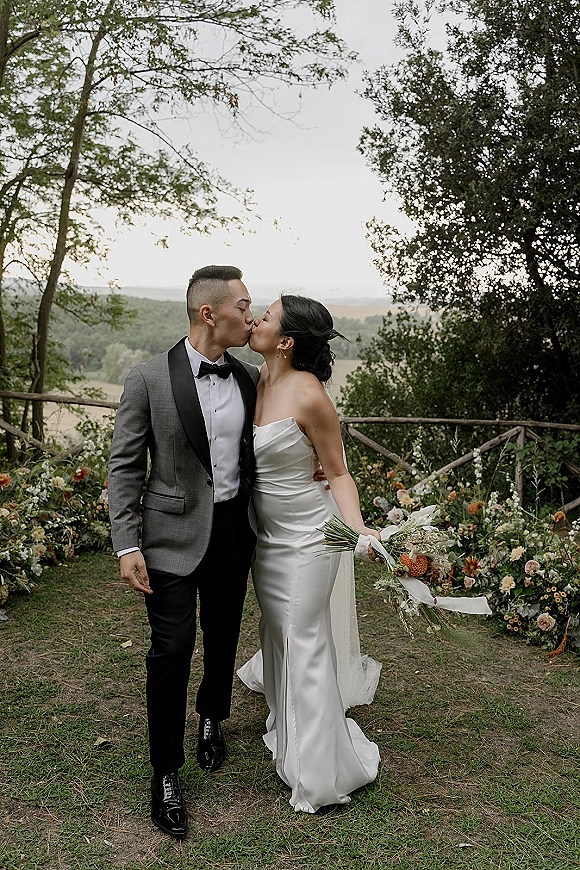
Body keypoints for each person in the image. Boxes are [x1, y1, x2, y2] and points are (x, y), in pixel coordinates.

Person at [108, 265, 259, 839]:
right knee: (171, 651)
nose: (251, 314)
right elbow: (124, 466)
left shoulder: (248, 380)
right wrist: (127, 542)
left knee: (222, 638)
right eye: (244, 306)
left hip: (232, 533)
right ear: (209, 314)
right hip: (167, 539)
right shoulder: (147, 378)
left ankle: (213, 720)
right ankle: (165, 772)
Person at [237, 294, 381, 813]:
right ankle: (289, 723)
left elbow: (337, 472)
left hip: (311, 536)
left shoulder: (310, 396)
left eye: (267, 316)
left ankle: (320, 770)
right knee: (277, 632)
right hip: (266, 538)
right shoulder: (255, 379)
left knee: (305, 638)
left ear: (287, 340)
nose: (256, 319)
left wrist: (359, 530)